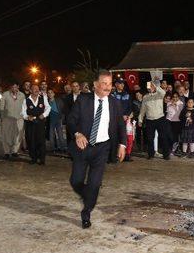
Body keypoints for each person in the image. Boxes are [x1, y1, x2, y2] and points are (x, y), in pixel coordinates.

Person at [67, 70, 126, 229]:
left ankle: (86, 212)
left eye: (110, 83)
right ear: (95, 85)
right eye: (104, 83)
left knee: (94, 183)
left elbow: (121, 124)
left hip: (102, 149)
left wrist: (122, 144)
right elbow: (71, 120)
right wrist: (77, 134)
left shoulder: (114, 103)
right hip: (83, 146)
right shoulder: (83, 99)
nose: (108, 87)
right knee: (76, 181)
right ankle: (89, 197)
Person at [138, 79, 170, 160]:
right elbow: (143, 110)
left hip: (160, 119)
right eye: (148, 87)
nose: (150, 88)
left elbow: (164, 92)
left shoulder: (159, 94)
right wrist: (140, 120)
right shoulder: (145, 97)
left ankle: (166, 155)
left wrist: (155, 85)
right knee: (149, 138)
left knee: (163, 137)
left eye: (151, 86)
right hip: (150, 120)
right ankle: (151, 154)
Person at [22, 84, 50, 165]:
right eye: (34, 89)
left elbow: (48, 108)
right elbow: (23, 112)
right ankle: (33, 158)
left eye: (38, 88)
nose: (37, 90)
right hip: (30, 123)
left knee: (41, 140)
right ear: (30, 90)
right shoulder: (26, 100)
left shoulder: (43, 98)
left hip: (40, 122)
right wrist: (27, 117)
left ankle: (42, 159)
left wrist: (44, 115)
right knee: (31, 140)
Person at [0, 82, 25, 159]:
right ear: (10, 87)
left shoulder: (22, 95)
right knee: (6, 135)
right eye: (12, 87)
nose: (14, 89)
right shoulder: (5, 94)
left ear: (18, 87)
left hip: (19, 118)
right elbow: (1, 107)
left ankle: (15, 151)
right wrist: (2, 117)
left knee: (18, 136)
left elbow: (24, 106)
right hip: (7, 118)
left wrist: (23, 116)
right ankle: (6, 152)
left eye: (15, 87)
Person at [63, 81, 82, 146]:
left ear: (79, 87)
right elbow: (66, 110)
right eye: (73, 86)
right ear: (71, 88)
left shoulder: (84, 96)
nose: (75, 88)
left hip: (82, 122)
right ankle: (71, 153)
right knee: (71, 139)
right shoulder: (67, 97)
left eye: (77, 86)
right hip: (71, 122)